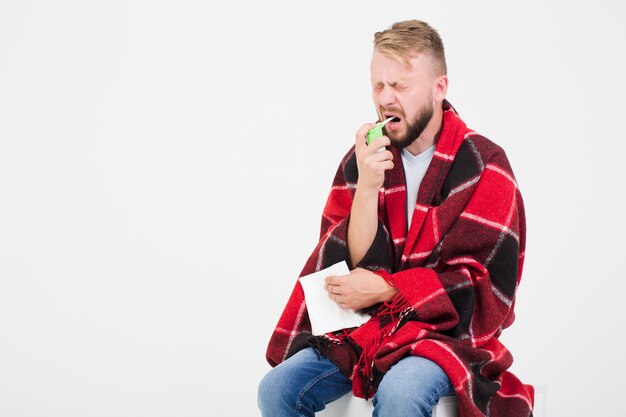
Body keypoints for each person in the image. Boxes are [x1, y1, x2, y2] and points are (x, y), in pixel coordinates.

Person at [258, 19, 534, 417]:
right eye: (378, 85)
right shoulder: (364, 159)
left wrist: (390, 290)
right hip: (369, 331)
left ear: (440, 87)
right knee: (278, 390)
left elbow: (486, 288)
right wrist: (368, 186)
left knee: (403, 393)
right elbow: (349, 265)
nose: (386, 98)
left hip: (445, 334)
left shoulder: (484, 164)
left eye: (400, 86)